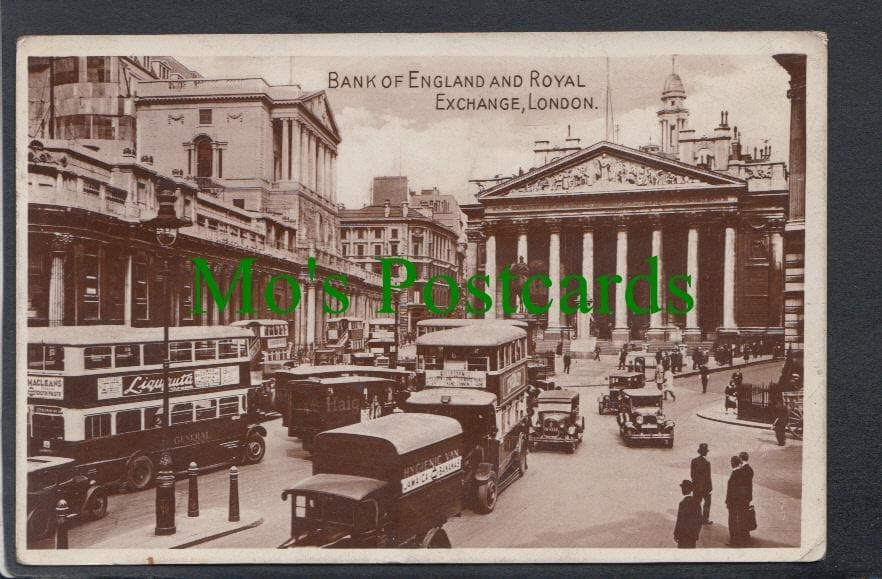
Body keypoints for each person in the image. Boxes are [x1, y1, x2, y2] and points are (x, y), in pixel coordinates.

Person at [725, 455, 751, 547]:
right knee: (740, 520)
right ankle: (743, 539)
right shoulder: (741, 473)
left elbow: (732, 491)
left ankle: (734, 541)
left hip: (733, 503)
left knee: (732, 522)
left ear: (732, 463)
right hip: (740, 502)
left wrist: (728, 502)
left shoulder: (735, 474)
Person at [674, 479, 702, 549]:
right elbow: (699, 521)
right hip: (692, 536)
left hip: (683, 536)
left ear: (684, 490)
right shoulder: (697, 503)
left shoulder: (682, 504)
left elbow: (680, 521)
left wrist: (676, 534)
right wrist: (696, 535)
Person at [691, 443, 713, 524]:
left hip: (696, 486)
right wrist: (710, 488)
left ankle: (695, 518)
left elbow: (692, 474)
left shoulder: (694, 461)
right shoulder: (707, 463)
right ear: (706, 452)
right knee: (707, 502)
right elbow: (708, 477)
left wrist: (695, 484)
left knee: (696, 502)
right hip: (705, 488)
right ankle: (704, 519)